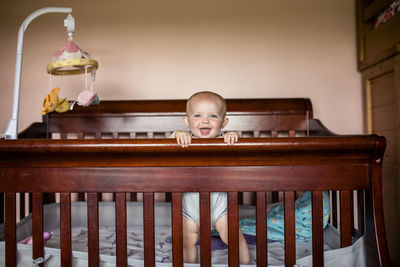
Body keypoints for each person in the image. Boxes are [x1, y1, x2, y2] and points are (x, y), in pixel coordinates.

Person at [169, 91, 250, 264]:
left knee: (235, 238)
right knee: (186, 242)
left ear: (224, 123)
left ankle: (244, 264)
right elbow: (165, 150)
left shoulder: (225, 142)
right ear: (186, 121)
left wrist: (233, 137)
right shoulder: (183, 142)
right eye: (197, 115)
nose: (205, 120)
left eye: (213, 116)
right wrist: (176, 135)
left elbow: (241, 154)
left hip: (220, 210)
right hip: (189, 212)